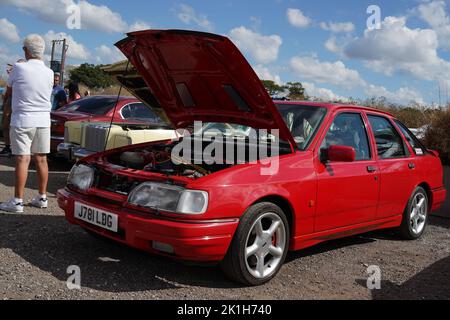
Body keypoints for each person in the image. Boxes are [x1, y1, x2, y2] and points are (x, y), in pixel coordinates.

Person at [0, 34, 54, 213]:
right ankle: (42, 197)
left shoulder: (18, 67)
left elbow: (8, 92)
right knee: (41, 159)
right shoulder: (50, 72)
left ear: (25, 50)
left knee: (23, 159)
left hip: (23, 119)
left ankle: (17, 202)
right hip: (43, 120)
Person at [0, 60, 26, 157]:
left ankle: (10, 148)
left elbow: (10, 91)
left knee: (9, 125)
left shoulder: (20, 77)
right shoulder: (15, 76)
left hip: (14, 102)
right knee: (7, 125)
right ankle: (9, 147)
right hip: (11, 102)